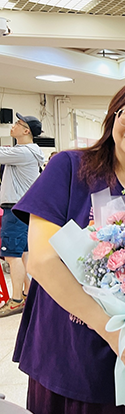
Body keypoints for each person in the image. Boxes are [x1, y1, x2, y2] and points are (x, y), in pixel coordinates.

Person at [12, 79, 125, 414]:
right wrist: (112, 331)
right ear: (113, 117)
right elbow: (42, 261)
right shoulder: (70, 167)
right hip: (71, 344)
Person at [0, 113, 44, 317]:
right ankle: (28, 295)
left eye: (18, 123)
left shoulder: (24, 152)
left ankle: (16, 300)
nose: (13, 125)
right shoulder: (27, 152)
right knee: (23, 254)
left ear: (27, 131)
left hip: (15, 208)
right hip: (22, 208)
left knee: (12, 255)